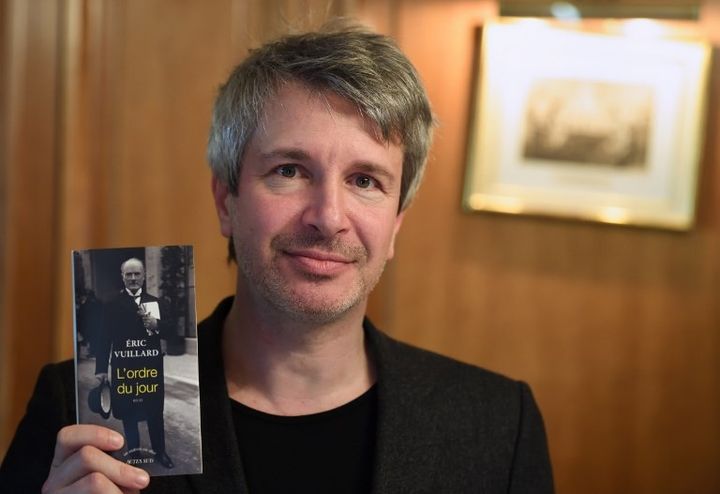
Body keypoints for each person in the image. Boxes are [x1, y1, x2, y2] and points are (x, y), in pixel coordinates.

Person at [0, 21, 554, 493]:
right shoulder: (75, 410)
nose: (328, 216)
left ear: (394, 227)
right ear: (226, 202)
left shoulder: (500, 426)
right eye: (289, 170)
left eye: (365, 180)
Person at [93, 258, 174, 470]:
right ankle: (135, 453)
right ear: (122, 277)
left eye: (137, 274)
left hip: (150, 368)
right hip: (125, 368)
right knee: (128, 411)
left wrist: (157, 325)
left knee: (155, 410)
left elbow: (171, 331)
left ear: (144, 275)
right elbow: (104, 338)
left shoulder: (156, 302)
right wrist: (101, 369)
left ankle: (160, 452)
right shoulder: (111, 306)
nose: (133, 278)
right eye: (128, 274)